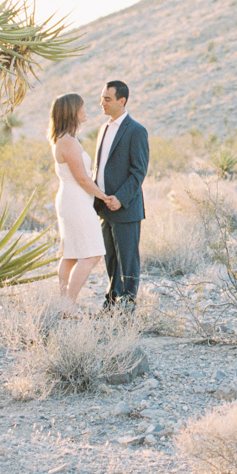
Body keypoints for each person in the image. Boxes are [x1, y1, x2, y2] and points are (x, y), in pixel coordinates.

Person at [49, 93, 112, 315]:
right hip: (75, 201)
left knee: (72, 254)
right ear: (73, 111)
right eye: (82, 107)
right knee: (92, 253)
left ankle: (64, 305)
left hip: (73, 199)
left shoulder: (64, 139)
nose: (86, 110)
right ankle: (68, 305)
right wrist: (104, 197)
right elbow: (82, 179)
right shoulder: (68, 142)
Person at [93, 80, 150, 312]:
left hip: (125, 208)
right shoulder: (103, 128)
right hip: (104, 207)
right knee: (111, 259)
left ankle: (127, 306)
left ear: (122, 101)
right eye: (102, 98)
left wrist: (120, 198)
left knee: (127, 259)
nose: (102, 103)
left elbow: (139, 171)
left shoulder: (136, 130)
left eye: (107, 99)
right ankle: (111, 302)